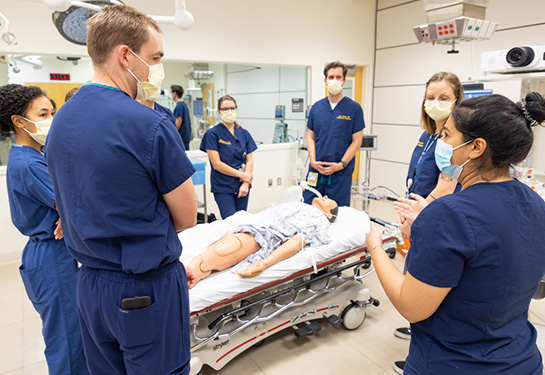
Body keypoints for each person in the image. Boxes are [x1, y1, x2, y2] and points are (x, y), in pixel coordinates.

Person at [45, 5, 197, 375]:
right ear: (125, 55)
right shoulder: (149, 125)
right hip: (144, 289)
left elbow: (72, 201)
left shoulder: (60, 120)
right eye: (155, 58)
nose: (158, 68)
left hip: (90, 284)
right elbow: (187, 217)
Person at [366, 92, 545, 375]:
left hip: (456, 364)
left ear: (476, 147)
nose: (441, 143)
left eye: (447, 135)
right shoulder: (535, 202)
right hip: (521, 361)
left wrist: (375, 246)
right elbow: (491, 267)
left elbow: (412, 306)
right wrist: (423, 235)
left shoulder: (449, 214)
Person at [0, 84, 88, 374]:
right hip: (52, 256)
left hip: (55, 251)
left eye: (52, 111)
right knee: (67, 340)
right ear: (19, 121)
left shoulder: (38, 154)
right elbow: (76, 201)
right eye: (43, 113)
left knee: (75, 334)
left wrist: (67, 209)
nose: (52, 118)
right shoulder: (27, 163)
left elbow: (69, 196)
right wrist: (68, 209)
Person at [392, 72, 465, 373]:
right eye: (430, 97)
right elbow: (418, 177)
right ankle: (417, 330)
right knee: (415, 276)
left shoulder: (452, 140)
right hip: (419, 213)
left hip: (435, 217)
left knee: (424, 287)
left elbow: (447, 186)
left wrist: (418, 216)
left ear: (457, 101)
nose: (435, 103)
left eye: (444, 98)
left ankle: (423, 358)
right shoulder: (429, 135)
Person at [187, 196, 338, 287]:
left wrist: (265, 263)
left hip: (262, 234)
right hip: (248, 221)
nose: (325, 196)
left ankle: (195, 270)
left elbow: (295, 243)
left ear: (329, 215)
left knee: (230, 246)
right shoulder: (303, 205)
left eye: (330, 201)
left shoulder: (318, 220)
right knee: (196, 237)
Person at [303, 61, 365, 207]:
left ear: (344, 80)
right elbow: (310, 137)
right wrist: (312, 161)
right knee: (310, 209)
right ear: (325, 80)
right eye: (331, 77)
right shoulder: (317, 108)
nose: (334, 80)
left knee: (338, 214)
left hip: (340, 174)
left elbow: (357, 141)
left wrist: (341, 164)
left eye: (338, 77)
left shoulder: (354, 109)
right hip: (316, 172)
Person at [200, 95, 257, 219]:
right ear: (219, 112)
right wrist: (242, 175)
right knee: (231, 222)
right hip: (223, 186)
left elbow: (249, 159)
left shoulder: (244, 133)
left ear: (236, 109)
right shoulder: (212, 134)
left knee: (242, 221)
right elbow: (217, 164)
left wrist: (246, 183)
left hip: (243, 185)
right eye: (225, 109)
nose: (229, 111)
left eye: (232, 108)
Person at [171, 84, 191, 149]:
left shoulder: (179, 106)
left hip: (181, 138)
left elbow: (177, 124)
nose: (171, 95)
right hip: (185, 138)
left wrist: (172, 135)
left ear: (174, 93)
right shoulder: (183, 105)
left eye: (171, 92)